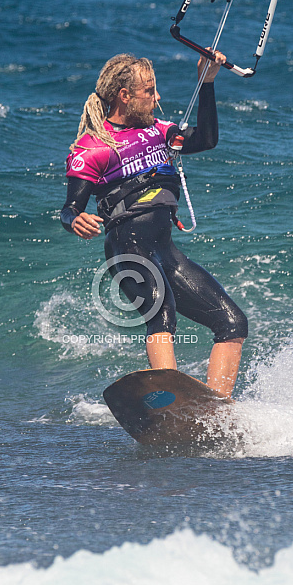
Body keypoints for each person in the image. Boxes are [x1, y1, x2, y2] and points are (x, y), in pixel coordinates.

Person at [60, 52, 248, 397]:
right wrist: (76, 219)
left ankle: (216, 410)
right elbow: (70, 208)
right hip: (127, 247)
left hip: (167, 252)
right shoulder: (94, 147)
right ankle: (169, 403)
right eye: (150, 91)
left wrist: (206, 83)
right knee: (161, 313)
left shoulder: (161, 132)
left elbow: (206, 139)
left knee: (232, 322)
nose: (157, 97)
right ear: (124, 95)